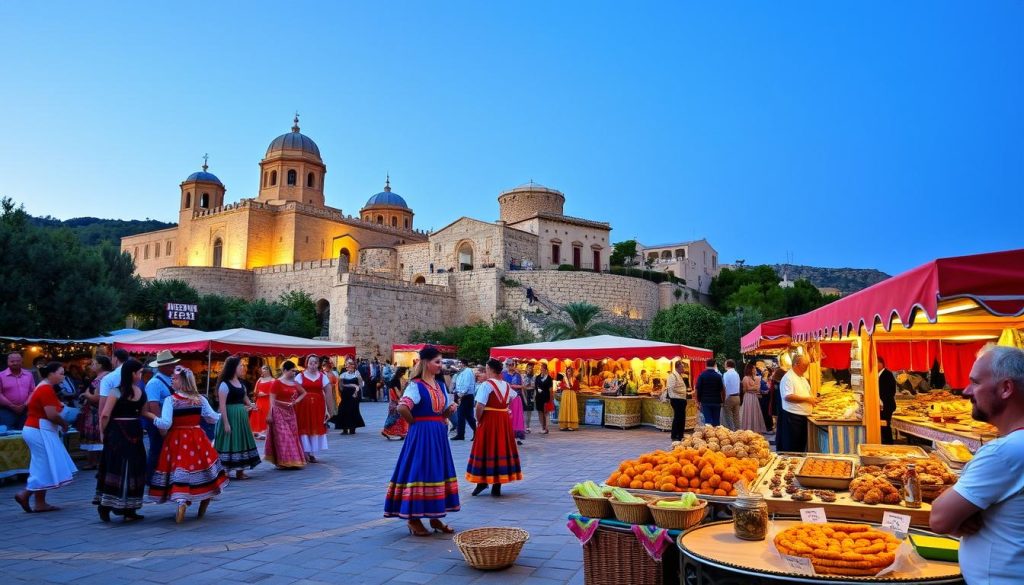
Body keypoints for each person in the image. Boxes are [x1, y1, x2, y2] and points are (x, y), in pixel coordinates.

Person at [930, 346, 1024, 585]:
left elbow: (940, 519)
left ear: (1005, 389)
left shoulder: (1005, 452)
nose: (965, 391)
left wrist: (958, 513)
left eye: (975, 382)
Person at [384, 347, 460, 536]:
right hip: (422, 434)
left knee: (436, 471)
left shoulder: (439, 385)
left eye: (440, 362)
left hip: (438, 434)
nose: (440, 366)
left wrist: (449, 410)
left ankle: (435, 516)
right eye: (437, 362)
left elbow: (440, 413)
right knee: (419, 471)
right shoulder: (415, 385)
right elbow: (402, 408)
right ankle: (413, 518)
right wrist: (415, 424)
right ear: (426, 363)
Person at [150, 366, 229, 523]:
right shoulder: (200, 399)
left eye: (175, 378)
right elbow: (212, 418)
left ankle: (181, 501)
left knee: (181, 468)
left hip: (177, 440)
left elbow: (165, 424)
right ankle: (205, 499)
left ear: (183, 381)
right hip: (198, 438)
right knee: (202, 470)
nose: (172, 379)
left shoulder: (170, 400)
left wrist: (151, 416)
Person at [96, 358, 156, 522]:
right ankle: (129, 508)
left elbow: (105, 415)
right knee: (134, 467)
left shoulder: (117, 391)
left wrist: (103, 432)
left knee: (115, 466)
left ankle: (108, 506)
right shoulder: (139, 391)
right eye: (140, 372)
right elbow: (144, 413)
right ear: (133, 373)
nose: (142, 374)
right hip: (132, 431)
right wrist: (158, 419)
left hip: (118, 431)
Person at [13, 361, 76, 513]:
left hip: (36, 428)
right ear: (51, 373)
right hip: (38, 429)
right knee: (43, 464)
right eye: (61, 373)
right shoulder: (45, 389)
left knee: (42, 463)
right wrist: (64, 423)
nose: (63, 376)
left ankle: (39, 502)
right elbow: (51, 414)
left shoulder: (43, 387)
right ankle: (26, 493)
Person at [467, 358, 524, 497]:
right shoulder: (506, 385)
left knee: (485, 449)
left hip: (489, 420)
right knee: (500, 449)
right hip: (503, 421)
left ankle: (482, 482)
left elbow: (479, 405)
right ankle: (497, 485)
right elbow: (513, 397)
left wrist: (479, 419)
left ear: (490, 369)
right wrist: (504, 408)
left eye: (486, 368)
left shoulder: (486, 385)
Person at [214, 356, 261, 479]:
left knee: (240, 441)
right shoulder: (224, 385)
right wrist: (226, 423)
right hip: (230, 416)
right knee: (228, 442)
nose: (243, 368)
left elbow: (245, 399)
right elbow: (222, 405)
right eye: (240, 365)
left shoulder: (241, 384)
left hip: (241, 417)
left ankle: (240, 470)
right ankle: (224, 471)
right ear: (233, 368)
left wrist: (252, 405)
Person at [143, 350, 178, 483]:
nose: (173, 368)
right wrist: (161, 426)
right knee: (157, 449)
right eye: (170, 365)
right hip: (158, 421)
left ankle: (164, 477)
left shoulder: (169, 379)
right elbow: (153, 406)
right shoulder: (154, 383)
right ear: (161, 366)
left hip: (168, 420)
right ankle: (150, 478)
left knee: (166, 450)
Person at [263, 361, 307, 469]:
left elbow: (304, 393)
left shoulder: (295, 383)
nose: (294, 373)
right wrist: (270, 414)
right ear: (285, 370)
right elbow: (272, 399)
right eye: (292, 371)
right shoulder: (277, 383)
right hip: (278, 411)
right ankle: (283, 462)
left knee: (292, 436)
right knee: (283, 437)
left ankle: (292, 460)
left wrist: (296, 401)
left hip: (291, 413)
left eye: (295, 371)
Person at [295, 355, 331, 461]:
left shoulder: (322, 376)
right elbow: (294, 391)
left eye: (315, 363)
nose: (313, 365)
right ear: (307, 364)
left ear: (318, 364)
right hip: (303, 407)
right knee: (304, 427)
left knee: (314, 427)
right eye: (310, 363)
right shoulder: (300, 376)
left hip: (317, 406)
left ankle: (311, 452)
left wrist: (328, 409)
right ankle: (305, 452)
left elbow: (327, 392)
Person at [77, 355, 111, 469]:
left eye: (93, 363)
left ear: (100, 365)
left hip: (95, 411)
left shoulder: (101, 379)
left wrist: (86, 394)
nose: (91, 366)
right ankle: (96, 461)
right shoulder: (104, 377)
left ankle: (94, 462)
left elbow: (97, 398)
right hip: (95, 410)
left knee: (95, 436)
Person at [778, 354, 817, 452]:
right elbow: (788, 396)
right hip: (793, 418)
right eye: (805, 365)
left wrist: (812, 399)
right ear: (796, 364)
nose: (807, 367)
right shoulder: (789, 378)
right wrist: (807, 399)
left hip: (802, 416)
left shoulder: (801, 378)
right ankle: (792, 463)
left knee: (800, 444)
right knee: (793, 446)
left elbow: (807, 392)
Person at [0, 352, 35, 430]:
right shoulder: (1, 376)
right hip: (6, 410)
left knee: (25, 432)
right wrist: (12, 405)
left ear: (22, 361)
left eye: (18, 361)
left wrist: (25, 404)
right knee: (6, 433)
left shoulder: (29, 374)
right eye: (12, 361)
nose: (15, 363)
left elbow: (32, 391)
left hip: (25, 410)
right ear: (7, 362)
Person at [335, 359, 366, 435]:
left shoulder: (357, 374)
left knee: (353, 410)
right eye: (348, 364)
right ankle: (344, 429)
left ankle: (353, 428)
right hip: (345, 396)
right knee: (343, 410)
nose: (349, 365)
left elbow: (361, 385)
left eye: (351, 364)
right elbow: (340, 386)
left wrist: (359, 378)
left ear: (354, 365)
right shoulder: (343, 375)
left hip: (354, 396)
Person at [382, 366, 410, 440]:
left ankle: (401, 433)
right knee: (394, 418)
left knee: (397, 418)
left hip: (394, 402)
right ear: (401, 373)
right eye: (404, 373)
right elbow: (398, 393)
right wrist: (404, 388)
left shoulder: (395, 379)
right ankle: (386, 430)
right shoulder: (396, 380)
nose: (404, 374)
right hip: (396, 402)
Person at [98, 348, 129, 413]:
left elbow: (102, 405)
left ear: (116, 359)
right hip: (133, 417)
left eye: (112, 358)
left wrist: (100, 421)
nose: (111, 361)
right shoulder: (135, 374)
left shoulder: (108, 378)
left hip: (113, 416)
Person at [451, 362, 477, 441]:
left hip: (465, 396)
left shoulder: (468, 372)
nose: (458, 365)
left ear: (463, 364)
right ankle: (461, 434)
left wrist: (461, 394)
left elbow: (466, 384)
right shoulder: (461, 372)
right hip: (462, 395)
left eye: (459, 363)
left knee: (465, 416)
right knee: (464, 416)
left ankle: (464, 434)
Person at [695, 359, 724, 426]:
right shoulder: (718, 376)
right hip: (716, 401)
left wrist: (697, 401)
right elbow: (722, 390)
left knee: (708, 421)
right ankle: (716, 435)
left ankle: (709, 435)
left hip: (705, 401)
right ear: (714, 365)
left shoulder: (702, 376)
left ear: (706, 365)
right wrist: (723, 400)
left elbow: (697, 389)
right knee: (716, 421)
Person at [503, 360, 526, 445]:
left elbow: (523, 386)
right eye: (509, 364)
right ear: (506, 365)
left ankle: (518, 437)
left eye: (512, 364)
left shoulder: (518, 374)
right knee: (508, 417)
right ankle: (508, 436)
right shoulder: (503, 374)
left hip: (516, 398)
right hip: (506, 399)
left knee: (517, 417)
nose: (510, 366)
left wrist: (512, 386)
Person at [740, 362, 767, 433]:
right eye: (754, 368)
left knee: (753, 412)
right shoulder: (746, 378)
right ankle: (749, 428)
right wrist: (753, 388)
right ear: (750, 369)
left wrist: (751, 388)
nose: (755, 369)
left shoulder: (756, 378)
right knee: (750, 412)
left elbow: (755, 388)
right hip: (749, 397)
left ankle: (753, 428)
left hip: (751, 396)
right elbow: (747, 389)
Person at [666, 360, 689, 441]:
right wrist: (683, 391)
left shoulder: (680, 375)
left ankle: (680, 434)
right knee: (678, 417)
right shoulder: (672, 376)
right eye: (683, 367)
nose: (684, 368)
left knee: (681, 417)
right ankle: (675, 435)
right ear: (678, 367)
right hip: (676, 399)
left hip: (681, 399)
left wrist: (685, 391)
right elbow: (671, 387)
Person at [250, 365, 274, 439]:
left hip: (268, 401)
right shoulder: (259, 379)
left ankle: (267, 433)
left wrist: (266, 394)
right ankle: (259, 433)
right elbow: (255, 391)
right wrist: (257, 393)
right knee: (258, 416)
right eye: (263, 368)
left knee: (266, 415)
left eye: (266, 368)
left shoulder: (273, 380)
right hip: (259, 401)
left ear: (269, 370)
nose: (264, 370)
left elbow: (275, 393)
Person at [878, 357, 898, 445]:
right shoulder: (876, 374)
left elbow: (891, 391)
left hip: (887, 405)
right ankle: (883, 442)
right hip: (880, 405)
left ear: (881, 364)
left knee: (886, 426)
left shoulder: (887, 374)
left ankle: (889, 444)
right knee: (882, 427)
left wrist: (881, 401)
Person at [558, 365, 580, 431]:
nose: (569, 372)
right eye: (568, 371)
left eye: (570, 371)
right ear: (566, 372)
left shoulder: (574, 379)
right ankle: (564, 425)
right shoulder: (564, 379)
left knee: (571, 408)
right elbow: (561, 386)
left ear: (572, 372)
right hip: (565, 394)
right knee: (565, 407)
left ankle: (571, 425)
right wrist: (564, 385)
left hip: (572, 394)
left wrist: (572, 386)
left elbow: (577, 387)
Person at [721, 359, 741, 430]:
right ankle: (738, 432)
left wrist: (724, 399)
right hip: (737, 397)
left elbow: (725, 387)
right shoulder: (737, 374)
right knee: (736, 417)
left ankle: (732, 433)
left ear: (727, 365)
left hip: (729, 397)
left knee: (729, 417)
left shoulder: (726, 374)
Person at [534, 363, 553, 434]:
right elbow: (536, 387)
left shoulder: (549, 378)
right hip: (539, 397)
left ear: (546, 370)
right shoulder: (538, 377)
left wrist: (551, 399)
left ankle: (547, 428)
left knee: (546, 412)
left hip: (546, 397)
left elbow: (550, 389)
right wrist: (538, 390)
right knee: (540, 412)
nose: (541, 370)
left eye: (543, 369)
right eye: (541, 369)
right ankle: (542, 427)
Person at [759, 365, 775, 432]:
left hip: (769, 397)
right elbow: (759, 389)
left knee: (768, 412)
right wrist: (763, 391)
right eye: (764, 370)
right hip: (763, 397)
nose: (765, 371)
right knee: (764, 411)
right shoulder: (760, 379)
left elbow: (771, 388)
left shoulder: (770, 379)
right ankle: (765, 426)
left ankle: (769, 426)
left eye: (766, 370)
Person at [521, 363, 536, 433]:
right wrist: (524, 397)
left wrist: (534, 396)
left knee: (529, 412)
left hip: (531, 393)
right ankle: (522, 426)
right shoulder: (523, 376)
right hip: (525, 393)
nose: (530, 369)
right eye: (529, 368)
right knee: (523, 411)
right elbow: (522, 387)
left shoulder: (534, 377)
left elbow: (534, 387)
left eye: (531, 368)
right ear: (526, 368)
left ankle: (528, 426)